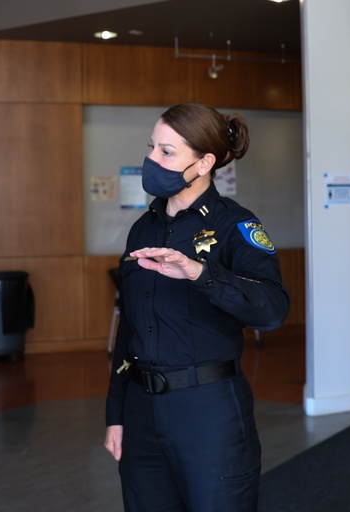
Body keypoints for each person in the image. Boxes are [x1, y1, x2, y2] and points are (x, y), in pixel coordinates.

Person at [104, 103, 290, 511]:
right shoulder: (143, 228)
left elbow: (273, 308)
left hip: (208, 412)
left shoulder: (235, 227)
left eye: (167, 152)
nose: (152, 160)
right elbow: (130, 331)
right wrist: (115, 412)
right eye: (152, 148)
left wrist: (200, 273)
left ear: (204, 162)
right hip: (140, 413)